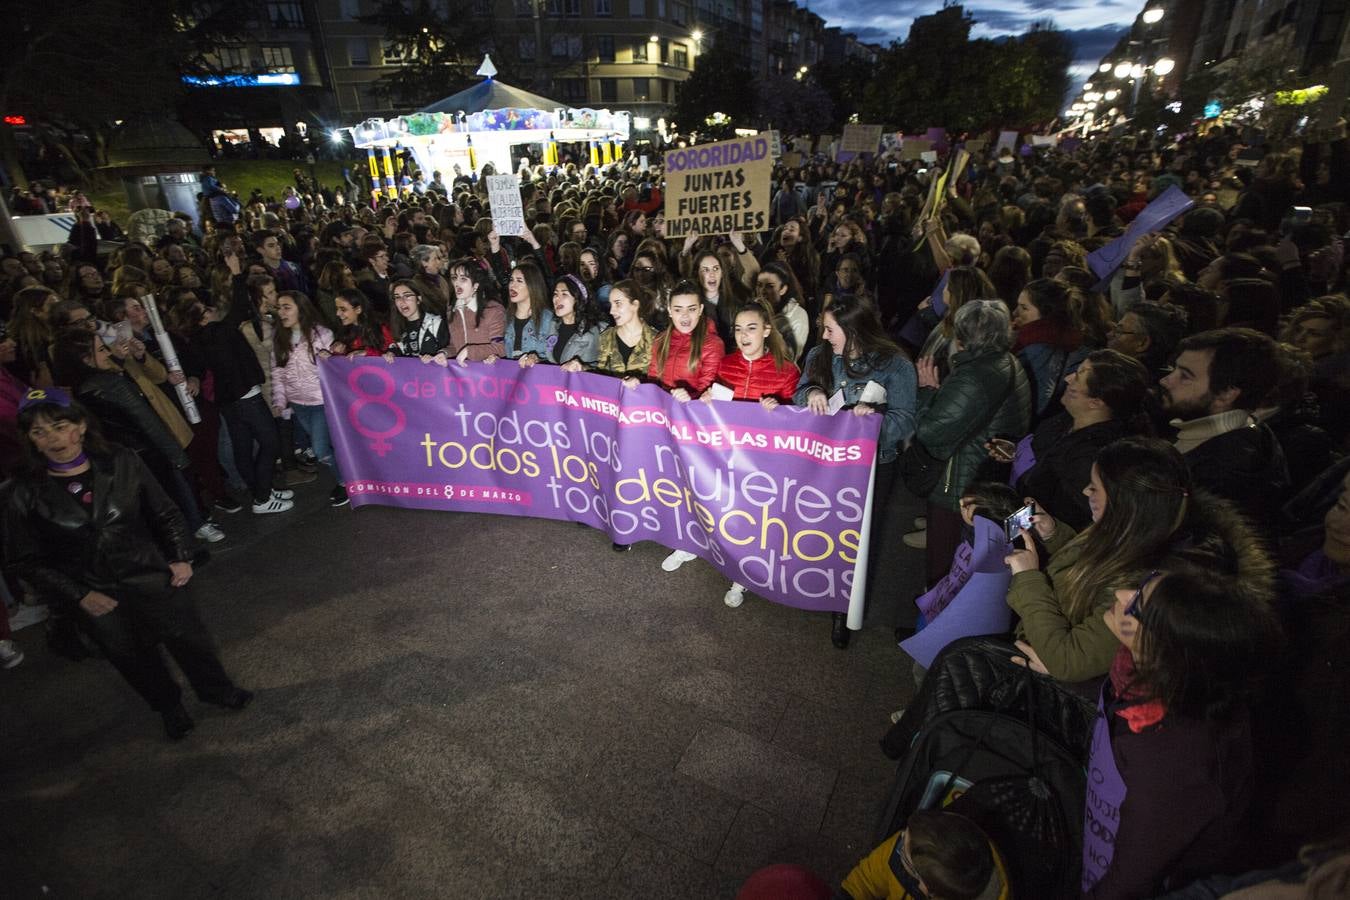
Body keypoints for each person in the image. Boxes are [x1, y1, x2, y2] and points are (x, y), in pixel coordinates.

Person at [1, 388, 253, 739]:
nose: (53, 438)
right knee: (133, 658)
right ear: (29, 439)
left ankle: (217, 691)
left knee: (190, 641)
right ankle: (168, 707)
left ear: (81, 425)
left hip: (151, 575)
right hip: (96, 594)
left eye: (59, 425)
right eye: (39, 432)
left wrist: (180, 556)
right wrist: (78, 595)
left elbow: (164, 512)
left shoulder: (121, 460)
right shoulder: (21, 491)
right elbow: (23, 560)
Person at [1005, 437, 1275, 683]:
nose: (1086, 491)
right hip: (1041, 633)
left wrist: (1028, 579)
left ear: (1126, 504)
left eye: (1096, 487)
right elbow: (1093, 573)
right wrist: (1054, 535)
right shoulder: (1137, 530)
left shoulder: (1152, 580)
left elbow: (1070, 661)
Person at [1086, 566, 1281, 899]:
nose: (1121, 594)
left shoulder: (1172, 765)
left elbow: (1127, 883)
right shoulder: (1173, 686)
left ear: (1168, 653)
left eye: (1137, 606)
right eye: (1141, 585)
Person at [796, 293, 918, 648]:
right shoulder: (820, 356)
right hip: (826, 464)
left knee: (858, 541)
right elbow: (800, 392)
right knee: (824, 528)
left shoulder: (895, 365)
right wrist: (813, 392)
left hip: (874, 469)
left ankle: (844, 610)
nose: (823, 336)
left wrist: (871, 426)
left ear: (853, 329)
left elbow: (905, 420)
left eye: (830, 329)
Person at [663, 299, 803, 605]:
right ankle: (692, 544)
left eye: (751, 328)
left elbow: (797, 423)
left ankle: (742, 577)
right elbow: (708, 408)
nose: (743, 335)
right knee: (705, 499)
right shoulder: (726, 364)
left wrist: (780, 411)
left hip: (762, 463)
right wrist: (703, 398)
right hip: (722, 453)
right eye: (738, 329)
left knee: (750, 519)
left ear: (767, 330)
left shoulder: (787, 371)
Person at [912, 300, 1033, 587]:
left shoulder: (974, 376)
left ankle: (936, 621)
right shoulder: (1005, 362)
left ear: (962, 337)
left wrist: (928, 391)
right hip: (980, 473)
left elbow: (931, 431)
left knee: (945, 560)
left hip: (959, 482)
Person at [993, 350, 1151, 531]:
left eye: (1077, 377)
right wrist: (1017, 450)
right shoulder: (1067, 419)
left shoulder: (1089, 460)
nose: (1068, 378)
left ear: (1096, 402)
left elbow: (1060, 516)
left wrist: (1003, 529)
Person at [1158, 327, 1291, 524]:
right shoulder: (1241, 431)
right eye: (1173, 369)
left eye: (1185, 376)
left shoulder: (1226, 472)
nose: (1165, 380)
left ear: (1227, 394)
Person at [271, 291, 348, 508]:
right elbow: (278, 373)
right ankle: (348, 477)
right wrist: (280, 401)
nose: (281, 312)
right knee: (326, 448)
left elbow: (335, 368)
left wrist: (331, 357)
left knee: (321, 450)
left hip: (321, 402)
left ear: (300, 309)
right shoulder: (280, 338)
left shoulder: (321, 335)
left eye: (287, 307)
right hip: (298, 404)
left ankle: (346, 482)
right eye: (279, 307)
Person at [838, 808, 1008, 900]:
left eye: (903, 854)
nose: (901, 838)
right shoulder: (919, 843)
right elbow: (868, 878)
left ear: (925, 887)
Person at [1012, 278, 1083, 418]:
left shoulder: (1036, 349)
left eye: (1024, 308)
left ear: (1048, 313)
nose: (1015, 313)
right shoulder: (1066, 339)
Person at [644, 280, 725, 400]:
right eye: (678, 309)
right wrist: (637, 385)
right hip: (663, 411)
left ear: (700, 310)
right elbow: (653, 380)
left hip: (692, 414)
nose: (685, 315)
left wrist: (690, 397)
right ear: (670, 311)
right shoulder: (661, 339)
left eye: (691, 309)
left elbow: (707, 391)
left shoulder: (713, 344)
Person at [515, 274, 602, 369]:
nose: (557, 299)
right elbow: (554, 364)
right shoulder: (554, 325)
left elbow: (599, 371)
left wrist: (583, 368)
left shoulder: (592, 331)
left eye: (564, 294)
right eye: (555, 294)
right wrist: (537, 360)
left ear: (577, 299)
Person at [445, 258, 507, 364]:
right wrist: (444, 353)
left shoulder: (493, 310)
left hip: (487, 374)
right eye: (454, 278)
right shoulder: (452, 311)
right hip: (462, 375)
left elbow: (501, 348)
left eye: (463, 279)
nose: (457, 283)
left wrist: (470, 351)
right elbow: (455, 346)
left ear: (476, 285)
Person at [384, 279, 450, 362]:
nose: (402, 301)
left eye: (407, 296)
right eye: (397, 297)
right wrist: (392, 353)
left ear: (418, 299)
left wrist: (437, 356)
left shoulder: (436, 323)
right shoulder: (397, 326)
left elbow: (450, 349)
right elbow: (399, 351)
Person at [501, 261, 555, 360]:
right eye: (511, 280)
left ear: (532, 286)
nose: (512, 285)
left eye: (519, 281)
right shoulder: (505, 317)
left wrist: (537, 359)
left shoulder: (547, 318)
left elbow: (554, 358)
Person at [330, 289, 394, 357]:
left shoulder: (381, 328)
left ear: (358, 309)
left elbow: (395, 358)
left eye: (343, 309)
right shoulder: (344, 332)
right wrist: (332, 354)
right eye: (337, 309)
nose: (338, 313)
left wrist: (367, 353)